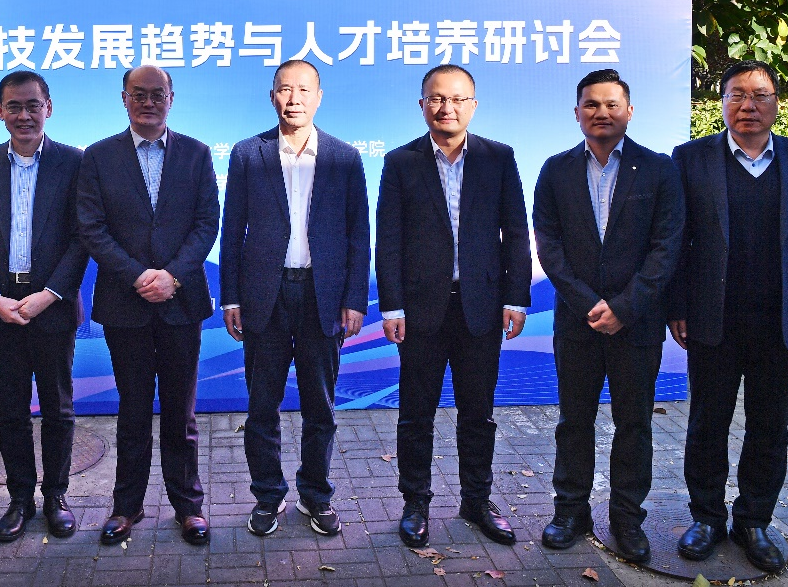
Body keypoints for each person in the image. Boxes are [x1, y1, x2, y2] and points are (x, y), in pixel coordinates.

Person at [669, 60, 788, 572]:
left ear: (776, 103)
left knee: (769, 427)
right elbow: (677, 241)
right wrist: (677, 306)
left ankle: (754, 522)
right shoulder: (691, 158)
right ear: (722, 101)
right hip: (713, 319)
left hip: (782, 320)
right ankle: (706, 518)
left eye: (760, 95)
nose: (748, 105)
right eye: (737, 94)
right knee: (707, 424)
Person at [376, 64, 532, 549]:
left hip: (481, 307)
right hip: (421, 310)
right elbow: (388, 240)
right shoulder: (400, 162)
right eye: (437, 98)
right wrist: (392, 306)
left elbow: (516, 233)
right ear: (422, 104)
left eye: (458, 99)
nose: (447, 107)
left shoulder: (498, 157)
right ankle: (415, 503)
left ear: (473, 105)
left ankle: (477, 500)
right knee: (415, 414)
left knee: (478, 413)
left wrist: (516, 297)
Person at [532, 69, 684, 562]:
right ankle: (570, 512)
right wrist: (587, 303)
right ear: (576, 112)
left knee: (634, 424)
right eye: (591, 104)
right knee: (573, 422)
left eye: (612, 104)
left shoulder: (659, 169)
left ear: (629, 111)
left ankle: (627, 519)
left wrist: (624, 307)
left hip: (637, 325)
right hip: (576, 324)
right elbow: (549, 246)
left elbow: (666, 247)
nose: (601, 113)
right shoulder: (555, 170)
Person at [220, 59, 370, 537]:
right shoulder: (249, 154)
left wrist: (354, 298)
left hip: (322, 296)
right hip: (264, 295)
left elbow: (358, 234)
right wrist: (230, 297)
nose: (294, 99)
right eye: (285, 90)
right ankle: (268, 496)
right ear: (272, 96)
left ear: (318, 97)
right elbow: (231, 231)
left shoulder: (344, 157)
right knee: (262, 406)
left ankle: (316, 495)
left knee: (320, 406)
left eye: (303, 90)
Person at [77, 65, 220, 546]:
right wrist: (137, 275)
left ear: (171, 99)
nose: (148, 103)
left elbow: (207, 222)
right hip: (126, 301)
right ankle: (126, 506)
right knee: (133, 409)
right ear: (124, 98)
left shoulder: (197, 154)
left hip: (181, 302)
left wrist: (172, 275)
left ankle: (189, 506)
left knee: (181, 412)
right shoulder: (98, 156)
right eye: (139, 94)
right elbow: (92, 227)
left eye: (157, 94)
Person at [0, 70, 89, 543]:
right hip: (1, 307)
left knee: (58, 408)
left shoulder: (74, 162)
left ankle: (56, 496)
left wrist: (49, 294)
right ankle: (19, 499)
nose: (24, 115)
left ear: (48, 108)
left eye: (33, 105)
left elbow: (83, 238)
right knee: (10, 410)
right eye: (14, 106)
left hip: (52, 304)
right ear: (0, 112)